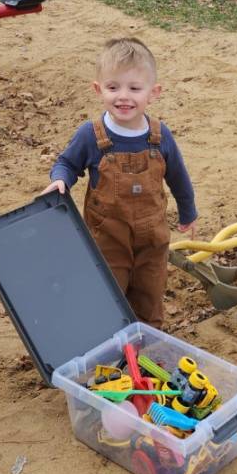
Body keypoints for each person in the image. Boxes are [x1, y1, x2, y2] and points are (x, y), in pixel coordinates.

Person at [43, 38, 196, 326]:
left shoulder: (161, 137)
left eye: (134, 88)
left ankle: (146, 340)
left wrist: (188, 212)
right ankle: (109, 339)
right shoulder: (92, 135)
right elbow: (66, 163)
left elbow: (178, 176)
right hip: (107, 237)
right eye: (114, 87)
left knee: (150, 290)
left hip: (153, 238)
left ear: (154, 93)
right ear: (98, 89)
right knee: (109, 289)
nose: (123, 97)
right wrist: (60, 181)